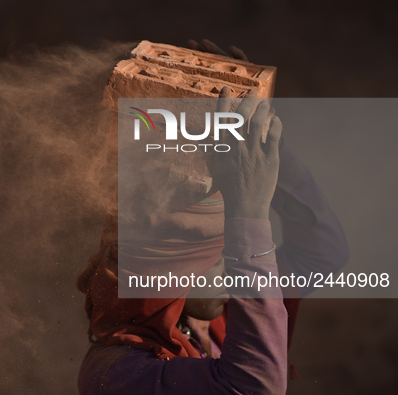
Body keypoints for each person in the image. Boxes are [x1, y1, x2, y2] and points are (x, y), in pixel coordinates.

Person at [77, 42, 349, 394]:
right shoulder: (116, 374)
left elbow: (324, 253)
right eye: (224, 257)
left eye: (233, 252)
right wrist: (247, 215)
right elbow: (255, 386)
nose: (238, 271)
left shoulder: (219, 317)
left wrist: (263, 142)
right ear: (164, 275)